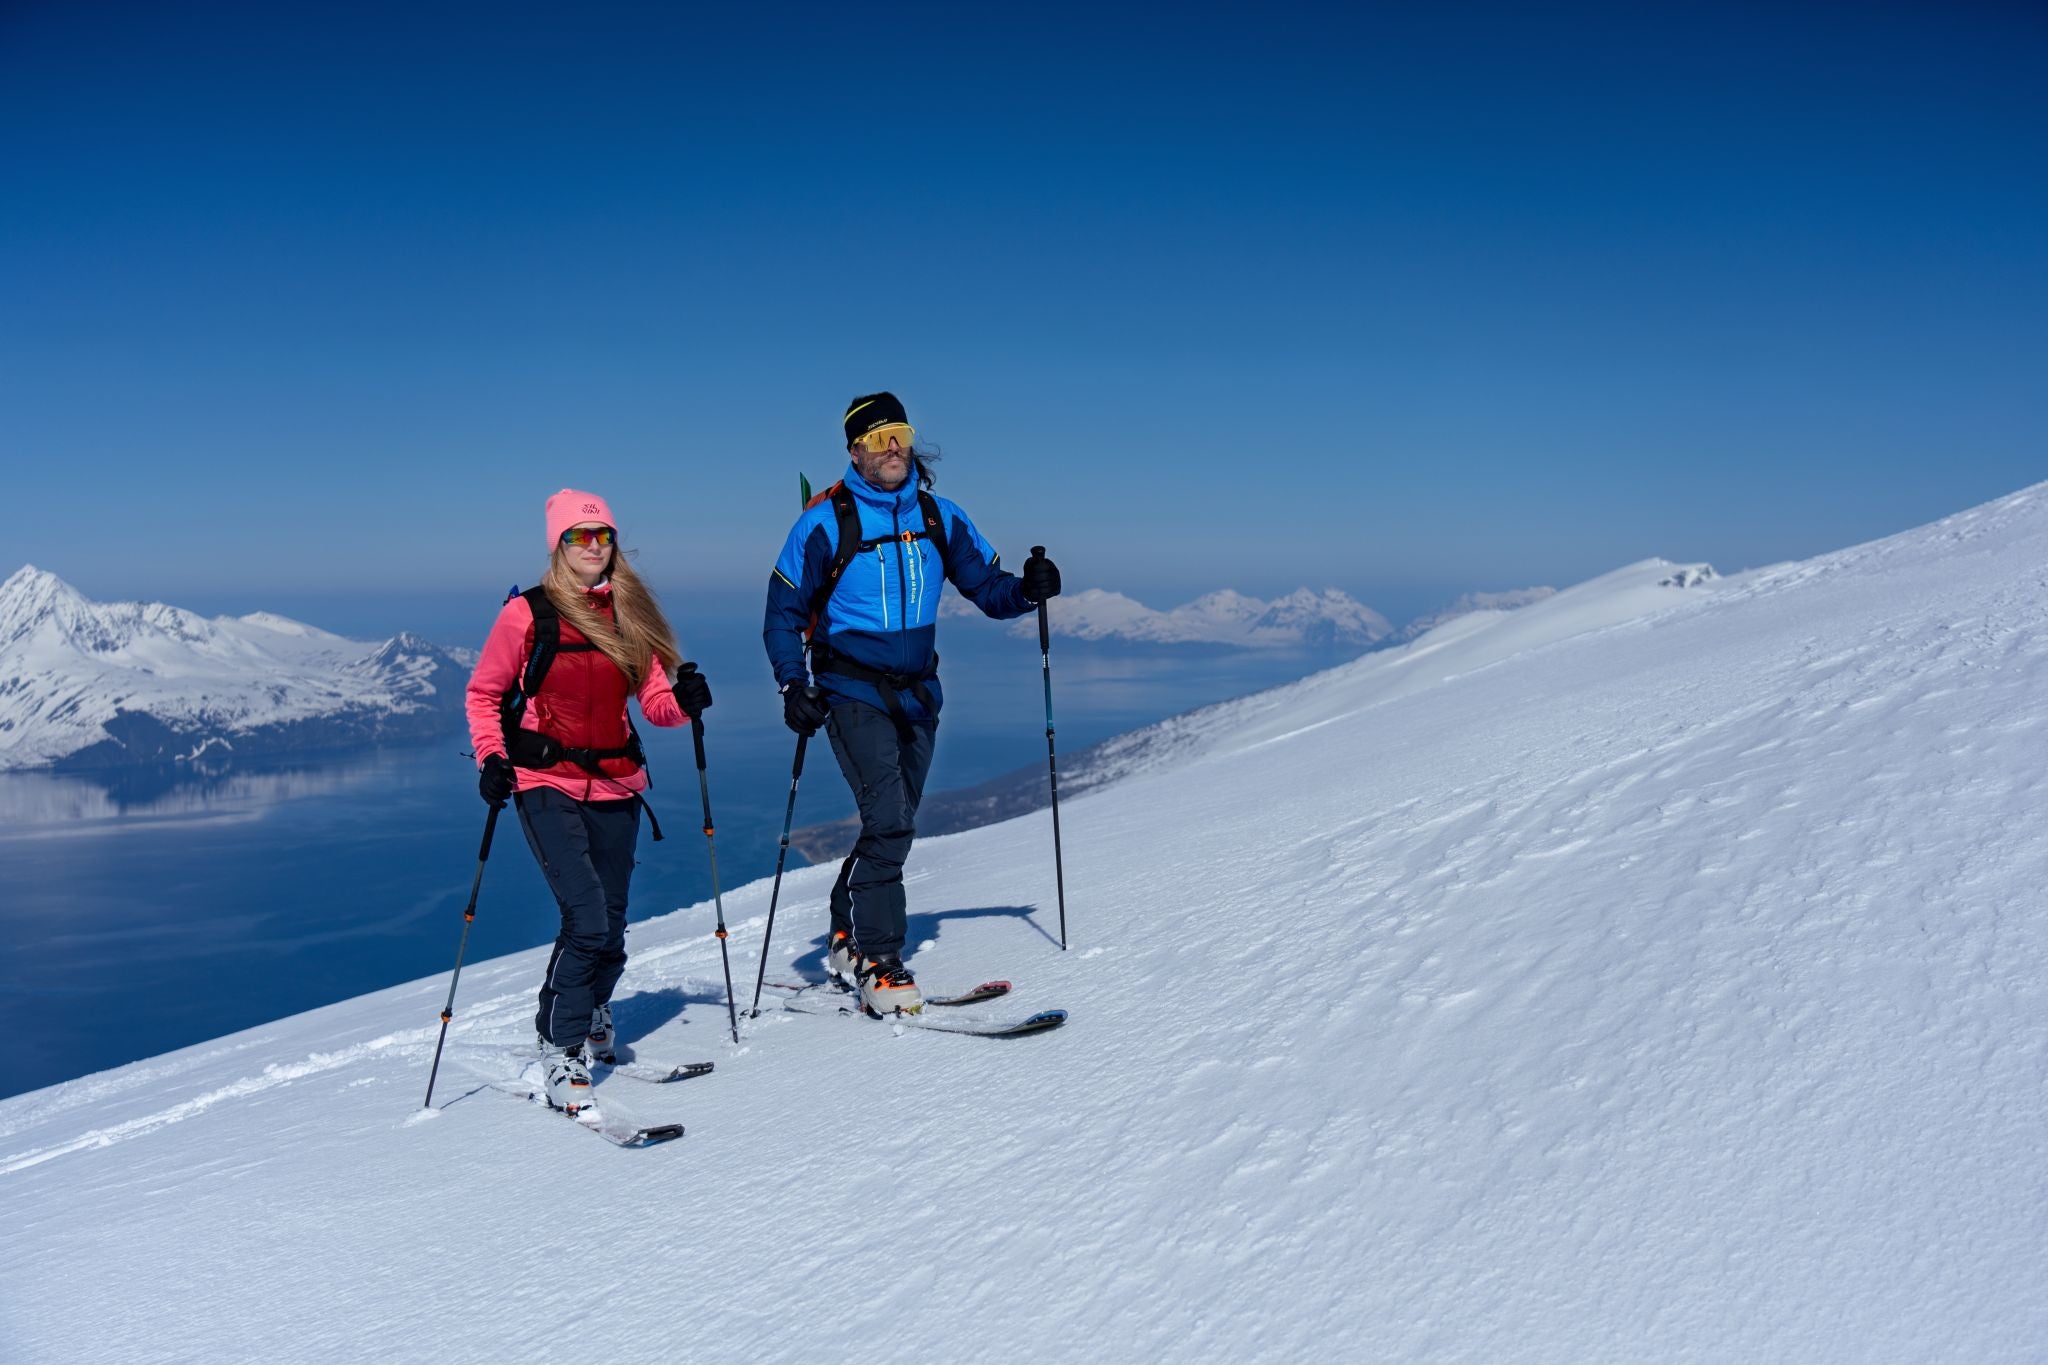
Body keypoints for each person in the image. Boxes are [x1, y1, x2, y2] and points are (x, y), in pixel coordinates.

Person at [763, 392, 1060, 1016]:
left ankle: (845, 932)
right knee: (892, 820)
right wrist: (793, 685)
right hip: (850, 689)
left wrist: (1028, 591)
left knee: (890, 822)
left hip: (920, 691)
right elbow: (782, 614)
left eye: (898, 431)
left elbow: (987, 587)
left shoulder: (938, 516)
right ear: (855, 452)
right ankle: (879, 960)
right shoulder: (824, 524)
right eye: (877, 438)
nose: (892, 446)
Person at [464, 489, 712, 1115]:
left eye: (603, 536)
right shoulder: (527, 614)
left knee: (614, 919)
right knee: (587, 918)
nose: (594, 546)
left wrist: (685, 702)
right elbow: (484, 694)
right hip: (544, 780)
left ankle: (594, 1003)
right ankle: (561, 1044)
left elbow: (655, 706)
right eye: (580, 536)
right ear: (559, 544)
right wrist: (491, 759)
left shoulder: (630, 612)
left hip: (617, 781)